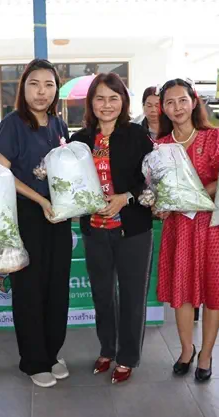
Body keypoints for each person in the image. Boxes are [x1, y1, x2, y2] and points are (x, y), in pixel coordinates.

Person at [154, 78, 219, 382]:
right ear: (163, 108)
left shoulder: (216, 137)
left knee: (213, 289)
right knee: (182, 291)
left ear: (193, 102)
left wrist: (195, 195)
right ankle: (186, 350)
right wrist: (159, 204)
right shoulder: (160, 146)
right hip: (178, 227)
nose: (176, 107)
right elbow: (156, 189)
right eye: (169, 102)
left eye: (182, 100)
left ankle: (206, 354)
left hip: (212, 226)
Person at [70, 73, 154, 384]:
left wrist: (125, 197)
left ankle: (127, 357)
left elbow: (152, 179)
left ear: (123, 102)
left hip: (132, 230)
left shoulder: (137, 135)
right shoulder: (79, 140)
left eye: (113, 98)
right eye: (100, 98)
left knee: (132, 296)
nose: (106, 105)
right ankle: (107, 348)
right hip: (94, 229)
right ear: (91, 102)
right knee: (102, 294)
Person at [0, 59, 72, 388]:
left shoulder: (59, 125)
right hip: (27, 215)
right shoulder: (12, 124)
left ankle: (52, 353)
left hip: (58, 216)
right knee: (29, 289)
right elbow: (2, 172)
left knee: (57, 286)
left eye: (49, 84)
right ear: (23, 88)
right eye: (34, 84)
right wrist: (40, 200)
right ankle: (33, 360)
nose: (42, 91)